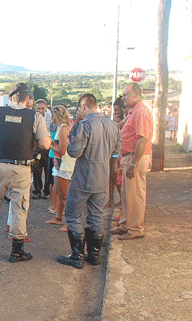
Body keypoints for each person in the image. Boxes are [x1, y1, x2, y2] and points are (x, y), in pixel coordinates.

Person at [0, 83, 51, 263]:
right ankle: (16, 252)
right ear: (27, 99)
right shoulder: (35, 116)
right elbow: (46, 145)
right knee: (19, 207)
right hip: (22, 168)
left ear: (10, 98)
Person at [57, 93, 121, 269]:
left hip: (84, 176)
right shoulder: (113, 125)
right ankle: (94, 255)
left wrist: (71, 140)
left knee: (73, 215)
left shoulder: (84, 125)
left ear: (83, 106)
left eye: (79, 109)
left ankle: (77, 256)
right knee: (96, 215)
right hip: (102, 176)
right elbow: (116, 150)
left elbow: (74, 152)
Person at [110, 83, 153, 240]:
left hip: (135, 157)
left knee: (135, 196)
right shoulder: (133, 111)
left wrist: (134, 163)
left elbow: (142, 139)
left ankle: (135, 228)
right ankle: (125, 224)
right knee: (127, 195)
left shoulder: (141, 112)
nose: (123, 98)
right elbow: (120, 128)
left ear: (136, 95)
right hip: (128, 157)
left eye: (126, 95)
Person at [43, 105, 75, 233]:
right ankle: (59, 217)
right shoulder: (64, 127)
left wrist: (49, 145)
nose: (51, 118)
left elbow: (62, 150)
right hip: (61, 164)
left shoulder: (62, 129)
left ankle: (69, 222)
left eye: (52, 115)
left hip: (64, 165)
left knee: (65, 194)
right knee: (61, 194)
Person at [106, 97, 125, 210]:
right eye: (114, 110)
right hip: (112, 151)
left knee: (115, 176)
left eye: (117, 110)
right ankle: (111, 200)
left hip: (118, 152)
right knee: (110, 177)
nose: (116, 112)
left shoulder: (123, 121)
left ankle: (122, 200)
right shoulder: (115, 121)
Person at [31, 99, 51, 199]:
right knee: (36, 170)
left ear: (46, 108)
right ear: (35, 108)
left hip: (47, 148)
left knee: (47, 170)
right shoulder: (32, 117)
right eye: (38, 108)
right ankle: (37, 190)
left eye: (42, 108)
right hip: (36, 147)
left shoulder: (50, 118)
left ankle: (47, 191)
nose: (40, 110)